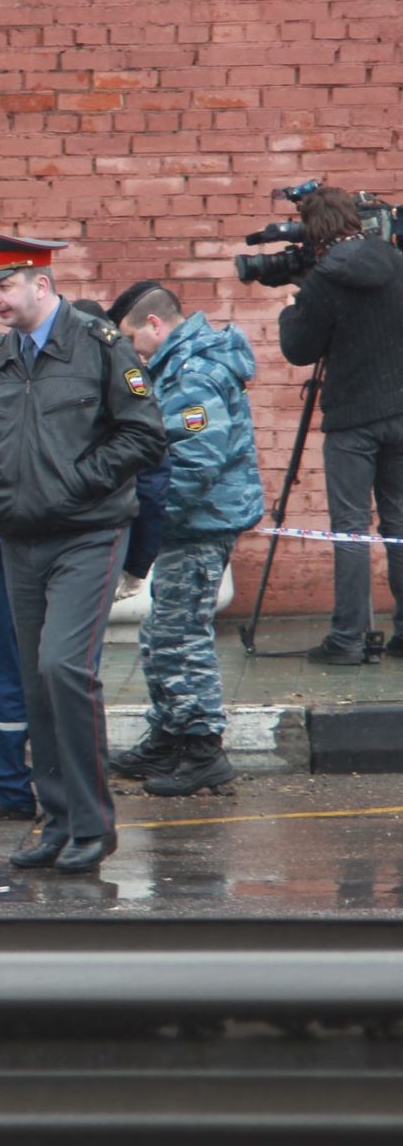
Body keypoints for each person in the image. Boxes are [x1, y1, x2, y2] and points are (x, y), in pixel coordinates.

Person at [0, 232, 167, 872]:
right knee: (33, 682)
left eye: (3, 286)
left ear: (41, 285)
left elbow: (145, 435)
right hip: (20, 539)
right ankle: (57, 822)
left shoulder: (102, 348)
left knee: (63, 669)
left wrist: (72, 485)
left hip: (88, 533)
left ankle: (93, 824)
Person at [105, 281, 264, 795]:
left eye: (130, 339)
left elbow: (195, 463)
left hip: (199, 522)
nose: (129, 352)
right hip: (188, 521)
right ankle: (172, 735)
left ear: (155, 324)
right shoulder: (175, 364)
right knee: (162, 633)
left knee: (182, 634)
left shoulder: (193, 372)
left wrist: (149, 529)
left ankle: (202, 748)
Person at [276, 184, 403, 665]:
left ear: (313, 231)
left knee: (350, 528)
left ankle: (349, 639)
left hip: (353, 421)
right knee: (398, 525)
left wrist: (291, 310)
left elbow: (300, 350)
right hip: (400, 411)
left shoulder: (323, 281)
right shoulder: (395, 260)